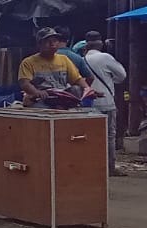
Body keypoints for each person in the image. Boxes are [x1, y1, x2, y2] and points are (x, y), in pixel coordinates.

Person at [80, 32, 127, 174]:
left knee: (90, 136)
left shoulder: (82, 59)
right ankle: (109, 168)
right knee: (109, 136)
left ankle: (92, 166)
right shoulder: (105, 57)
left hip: (88, 103)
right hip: (107, 102)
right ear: (100, 44)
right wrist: (112, 81)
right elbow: (122, 75)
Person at [17, 29, 84, 104]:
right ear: (39, 44)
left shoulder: (64, 59)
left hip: (61, 98)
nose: (52, 44)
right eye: (47, 41)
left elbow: (77, 79)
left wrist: (88, 90)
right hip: (39, 100)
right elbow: (25, 83)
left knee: (76, 89)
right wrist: (37, 92)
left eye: (55, 41)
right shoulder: (28, 62)